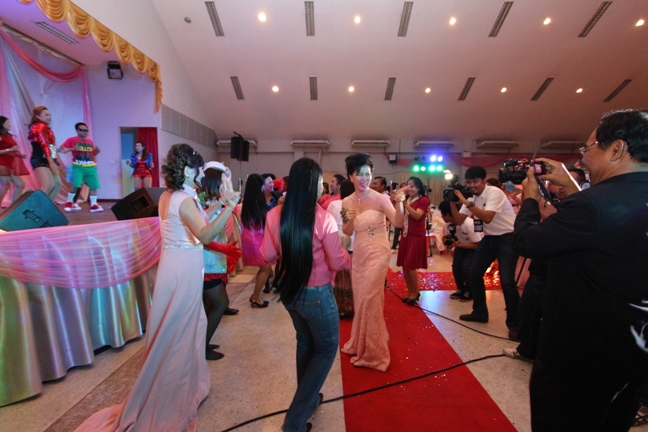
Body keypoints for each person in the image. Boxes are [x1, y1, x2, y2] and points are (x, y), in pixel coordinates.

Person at [74, 143, 239, 431]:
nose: (201, 175)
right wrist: (230, 207)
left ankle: (177, 386)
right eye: (198, 170)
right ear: (186, 171)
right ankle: (171, 396)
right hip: (183, 267)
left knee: (176, 326)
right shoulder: (184, 200)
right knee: (179, 330)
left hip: (175, 264)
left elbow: (197, 219)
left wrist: (220, 204)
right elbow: (204, 234)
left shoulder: (170, 195)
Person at [514, 109, 648, 431]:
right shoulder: (615, 199)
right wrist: (571, 184)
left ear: (616, 149)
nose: (583, 158)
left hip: (582, 353)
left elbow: (528, 242)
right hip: (634, 349)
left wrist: (529, 199)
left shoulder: (593, 204)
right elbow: (605, 227)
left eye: (587, 149)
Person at [261, 157, 351, 432]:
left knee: (306, 342)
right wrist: (347, 255)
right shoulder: (323, 218)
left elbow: (267, 255)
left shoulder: (275, 214)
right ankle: (295, 421)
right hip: (317, 293)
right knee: (325, 348)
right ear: (313, 185)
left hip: (289, 291)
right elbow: (336, 261)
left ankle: (308, 400)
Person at [340, 153, 405, 372]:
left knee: (368, 297)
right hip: (359, 254)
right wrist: (349, 220)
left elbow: (397, 222)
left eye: (367, 173)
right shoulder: (346, 202)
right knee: (362, 300)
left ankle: (375, 353)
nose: (364, 178)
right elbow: (347, 231)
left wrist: (400, 203)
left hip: (378, 252)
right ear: (351, 176)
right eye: (359, 174)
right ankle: (361, 342)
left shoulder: (380, 198)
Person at [449, 166, 520, 341]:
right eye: (469, 182)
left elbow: (487, 217)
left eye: (475, 181)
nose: (471, 185)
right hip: (489, 238)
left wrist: (466, 202)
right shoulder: (472, 198)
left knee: (507, 281)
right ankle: (480, 312)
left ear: (483, 181)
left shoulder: (494, 192)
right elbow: (459, 221)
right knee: (473, 273)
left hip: (508, 237)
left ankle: (516, 324)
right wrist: (451, 202)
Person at [198, 161, 242, 361]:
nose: (226, 186)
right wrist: (225, 249)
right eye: (224, 183)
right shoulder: (202, 204)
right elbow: (202, 236)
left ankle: (203, 342)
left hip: (213, 262)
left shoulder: (214, 202)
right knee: (220, 303)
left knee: (211, 305)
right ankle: (201, 348)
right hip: (206, 263)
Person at [438, 200, 483, 301]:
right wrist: (446, 240)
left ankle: (470, 291)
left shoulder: (469, 224)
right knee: (456, 267)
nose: (442, 217)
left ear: (449, 214)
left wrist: (457, 245)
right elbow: (450, 238)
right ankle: (461, 289)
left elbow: (477, 245)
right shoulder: (448, 225)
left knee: (465, 268)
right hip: (461, 246)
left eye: (443, 214)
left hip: (474, 248)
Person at [396, 176, 430, 304]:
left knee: (410, 265)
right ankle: (410, 291)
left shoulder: (423, 200)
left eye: (412, 186)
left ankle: (415, 291)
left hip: (416, 235)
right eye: (408, 186)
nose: (409, 189)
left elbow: (417, 215)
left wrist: (405, 204)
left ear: (419, 188)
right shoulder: (409, 199)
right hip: (406, 235)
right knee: (405, 265)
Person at [241, 173, 272, 307]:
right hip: (256, 237)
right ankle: (255, 296)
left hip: (250, 236)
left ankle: (257, 294)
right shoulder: (258, 200)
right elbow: (264, 220)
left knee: (266, 266)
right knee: (266, 267)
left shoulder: (247, 199)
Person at [58, 123, 103, 212]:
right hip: (78, 166)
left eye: (86, 130)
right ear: (77, 130)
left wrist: (96, 152)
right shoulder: (71, 140)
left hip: (91, 166)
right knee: (76, 184)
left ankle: (93, 205)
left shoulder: (89, 142)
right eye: (82, 130)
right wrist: (72, 148)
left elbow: (91, 154)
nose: (85, 132)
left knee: (93, 185)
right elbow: (60, 149)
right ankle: (69, 202)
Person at [28, 106, 62, 201]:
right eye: (46, 115)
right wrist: (52, 162)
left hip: (48, 158)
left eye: (50, 115)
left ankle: (47, 207)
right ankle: (32, 206)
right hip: (40, 158)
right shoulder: (40, 126)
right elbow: (44, 145)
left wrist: (55, 158)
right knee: (48, 185)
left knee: (57, 184)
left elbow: (50, 146)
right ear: (37, 116)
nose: (49, 117)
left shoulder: (46, 128)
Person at [0, 116, 29, 204]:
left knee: (20, 185)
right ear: (2, 124)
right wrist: (10, 149)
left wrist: (19, 155)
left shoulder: (9, 135)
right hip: (2, 163)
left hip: (10, 163)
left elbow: (10, 150)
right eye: (7, 123)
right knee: (6, 185)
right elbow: (8, 149)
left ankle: (14, 206)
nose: (10, 124)